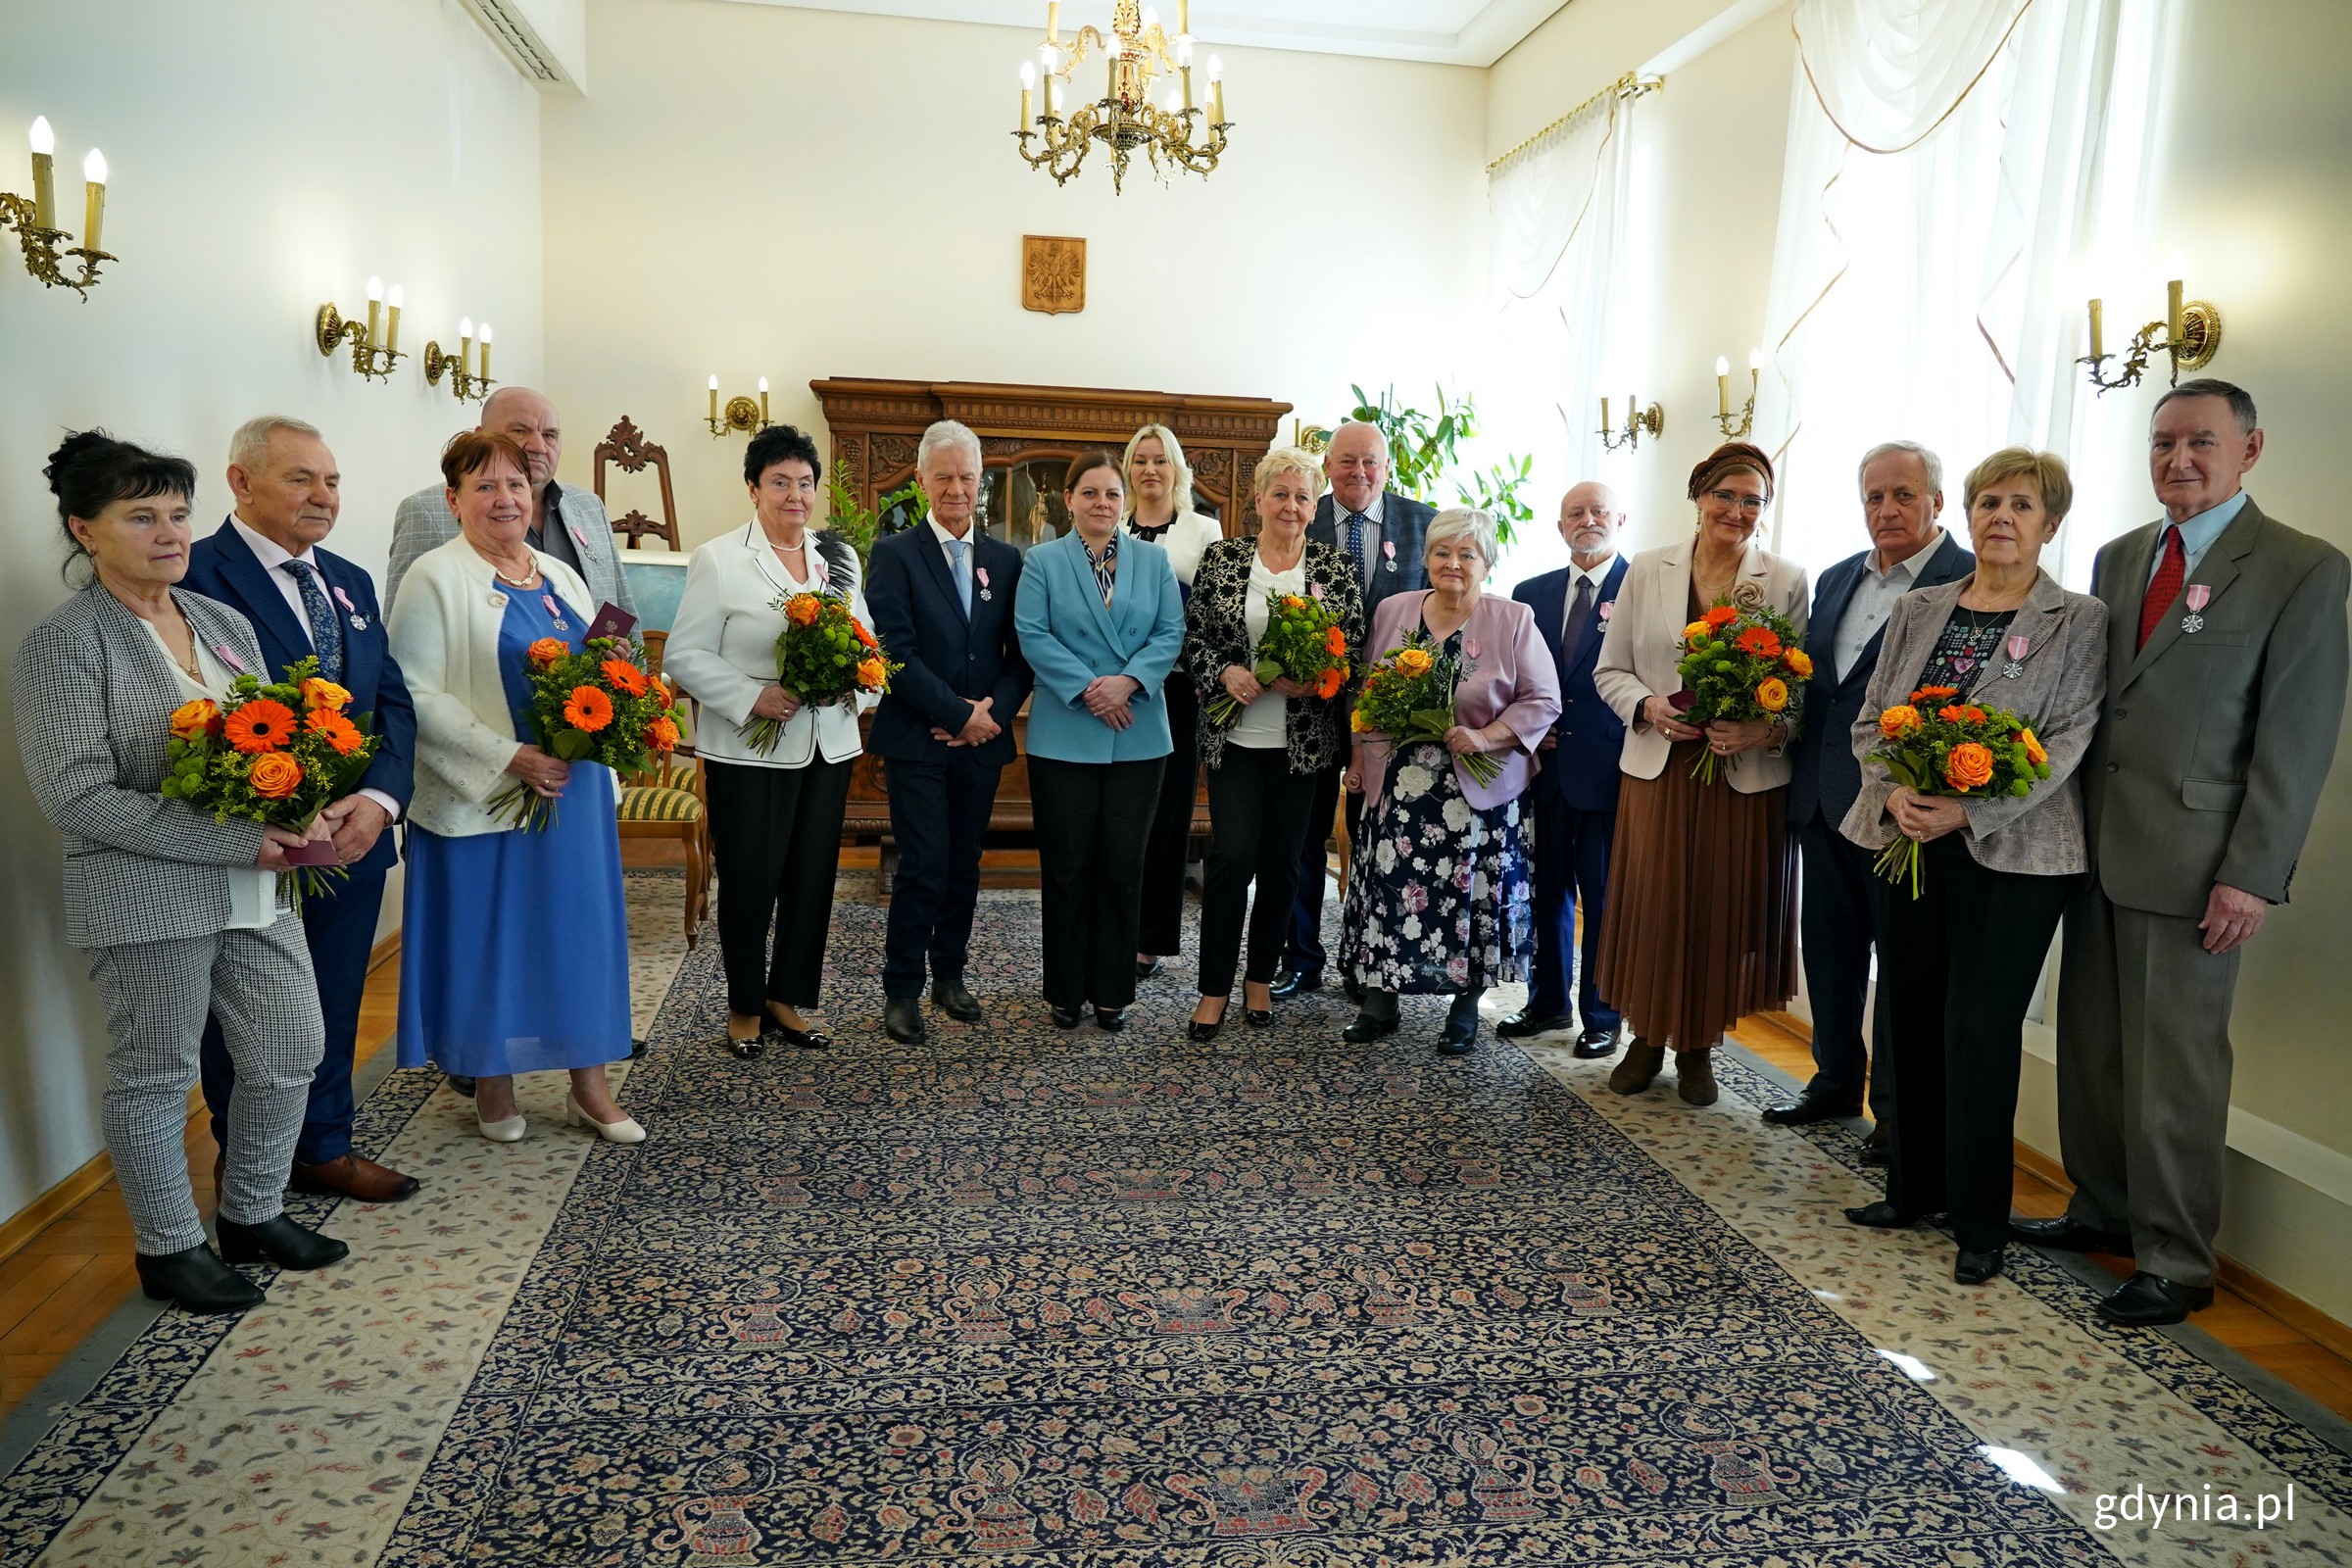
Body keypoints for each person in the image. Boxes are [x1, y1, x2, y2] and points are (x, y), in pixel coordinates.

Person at [2026, 380, 2351, 1325]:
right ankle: (2104, 1209)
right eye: (2163, 442)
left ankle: (2177, 1257)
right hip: (2092, 849)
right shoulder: (2122, 555)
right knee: (2090, 1048)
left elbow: (2297, 739)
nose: (2179, 460)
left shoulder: (2302, 567)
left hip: (2198, 865)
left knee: (2177, 1070)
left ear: (2250, 449)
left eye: (2201, 442)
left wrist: (2252, 874)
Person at [14, 431, 345, 1312]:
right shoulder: (66, 645)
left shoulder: (222, 621)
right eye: (142, 516)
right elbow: (76, 796)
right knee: (157, 1072)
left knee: (289, 1046)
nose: (169, 533)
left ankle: (253, 1211)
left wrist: (302, 804)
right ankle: (167, 1248)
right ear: (86, 530)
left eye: (178, 513)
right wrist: (238, 841)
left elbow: (287, 732)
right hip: (144, 896)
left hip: (259, 886)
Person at [1839, 448, 2108, 1287]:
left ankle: (1981, 1222)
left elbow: (2068, 740)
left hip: (2017, 855)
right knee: (1910, 1013)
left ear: (2050, 524)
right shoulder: (1922, 607)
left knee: (1981, 1031)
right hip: (1908, 840)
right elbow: (1873, 720)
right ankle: (1911, 1189)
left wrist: (1969, 808)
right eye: (1989, 501)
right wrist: (1895, 799)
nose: (2002, 516)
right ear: (1967, 512)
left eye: (2023, 505)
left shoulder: (2079, 619)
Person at [182, 416, 421, 1203]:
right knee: (246, 1015)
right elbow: (195, 715)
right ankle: (246, 1164)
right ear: (240, 482)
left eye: (332, 480)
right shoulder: (196, 575)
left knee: (333, 998)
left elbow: (391, 700)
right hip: (259, 843)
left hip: (352, 839)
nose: (323, 496)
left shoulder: (349, 579)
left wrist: (380, 802)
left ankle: (323, 1146)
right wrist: (280, 814)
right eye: (301, 479)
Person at [387, 431, 642, 1145]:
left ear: (534, 500)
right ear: (454, 500)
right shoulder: (435, 577)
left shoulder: (560, 574)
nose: (505, 499)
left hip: (574, 791)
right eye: (486, 487)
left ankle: (589, 1087)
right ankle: (491, 1082)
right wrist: (509, 757)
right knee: (491, 941)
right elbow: (413, 692)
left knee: (577, 935)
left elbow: (596, 664)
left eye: (517, 486)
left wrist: (615, 670)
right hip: (487, 792)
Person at [1765, 442, 1972, 1162]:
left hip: (1900, 813)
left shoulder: (1968, 579)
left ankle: (1895, 1111)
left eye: (1903, 496)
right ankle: (1833, 1081)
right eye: (1874, 497)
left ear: (1937, 502)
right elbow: (1822, 689)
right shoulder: (1835, 577)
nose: (1886, 511)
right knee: (1830, 951)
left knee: (1904, 967)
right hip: (1822, 801)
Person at [1591, 443, 1808, 1105]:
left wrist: (1762, 729)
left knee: (1717, 912)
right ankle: (1646, 1039)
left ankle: (1697, 1048)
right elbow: (1609, 671)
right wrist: (1649, 706)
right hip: (1658, 772)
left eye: (1752, 502)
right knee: (1654, 907)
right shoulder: (1646, 570)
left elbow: (1801, 693)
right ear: (1699, 497)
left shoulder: (1786, 580)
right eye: (1726, 496)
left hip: (1738, 779)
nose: (1737, 511)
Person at [665, 424, 868, 1058]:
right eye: (780, 482)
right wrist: (755, 696)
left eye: (805, 483)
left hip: (826, 747)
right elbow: (685, 655)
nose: (795, 496)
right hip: (750, 751)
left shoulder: (839, 559)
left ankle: (788, 998)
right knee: (751, 879)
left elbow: (868, 648)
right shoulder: (721, 558)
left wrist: (855, 692)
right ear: (753, 489)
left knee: (812, 880)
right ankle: (745, 1005)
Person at [1341, 508, 1560, 1054]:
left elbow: (1544, 699)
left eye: (1467, 554)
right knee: (1390, 890)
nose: (1453, 564)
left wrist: (1486, 737)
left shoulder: (1513, 619)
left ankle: (1464, 1007)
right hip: (1399, 785)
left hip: (1480, 789)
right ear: (1426, 558)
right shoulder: (1393, 610)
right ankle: (1380, 999)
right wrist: (1357, 759)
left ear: (1487, 562)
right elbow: (1366, 693)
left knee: (1472, 897)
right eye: (1442, 552)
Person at [1182, 447, 1364, 1040]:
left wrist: (1320, 678)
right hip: (1235, 736)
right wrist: (1225, 672)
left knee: (1285, 863)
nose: (1291, 505)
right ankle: (1213, 989)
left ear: (1316, 507)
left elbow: (1353, 645)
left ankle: (1258, 980)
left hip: (1304, 743)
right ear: (1257, 500)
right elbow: (1194, 639)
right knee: (1233, 858)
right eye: (1280, 493)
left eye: (1303, 496)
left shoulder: (1334, 569)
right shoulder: (1224, 559)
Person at [863, 420, 1033, 1045]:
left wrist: (987, 716)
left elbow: (1022, 654)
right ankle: (902, 988)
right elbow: (894, 652)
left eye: (966, 476)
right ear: (921, 482)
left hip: (982, 743)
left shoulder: (1006, 560)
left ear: (980, 480)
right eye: (944, 477)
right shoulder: (894, 555)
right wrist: (957, 714)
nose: (956, 488)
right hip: (917, 740)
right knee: (924, 864)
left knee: (965, 862)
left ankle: (950, 975)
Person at [1013, 451, 1188, 1030]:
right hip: (1065, 733)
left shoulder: (1154, 561)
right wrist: (1091, 689)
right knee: (1066, 867)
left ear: (1125, 501)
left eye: (1112, 495)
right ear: (1068, 500)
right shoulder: (1040, 562)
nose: (1102, 504)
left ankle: (1112, 991)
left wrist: (1129, 682)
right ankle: (1066, 990)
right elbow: (1032, 634)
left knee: (1122, 866)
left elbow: (1171, 631)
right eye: (1090, 493)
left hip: (1138, 734)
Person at [1276, 420, 1436, 1001]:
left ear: (1387, 467)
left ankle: (1372, 960)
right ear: (1328, 465)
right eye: (1346, 462)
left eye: (1370, 462)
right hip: (1312, 709)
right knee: (1304, 835)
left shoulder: (1424, 523)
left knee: (1384, 839)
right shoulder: (1299, 516)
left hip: (1395, 714)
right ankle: (1301, 956)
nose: (1359, 472)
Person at [1501, 481, 1631, 1057]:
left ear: (1619, 518)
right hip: (1544, 769)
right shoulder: (1529, 594)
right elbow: (1511, 676)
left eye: (1598, 510)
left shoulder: (1643, 587)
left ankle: (1602, 1013)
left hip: (1610, 768)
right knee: (1546, 892)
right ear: (1560, 527)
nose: (1587, 520)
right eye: (1574, 512)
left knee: (1602, 896)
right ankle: (1547, 1000)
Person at [386, 385, 638, 622]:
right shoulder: (426, 511)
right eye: (520, 431)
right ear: (480, 436)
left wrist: (627, 665)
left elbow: (618, 607)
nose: (538, 446)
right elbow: (403, 626)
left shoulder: (589, 506)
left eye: (550, 435)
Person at [1123, 423, 1224, 982]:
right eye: (1141, 460)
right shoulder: (1108, 523)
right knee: (1122, 813)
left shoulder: (1202, 532)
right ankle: (1115, 925)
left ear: (1177, 469)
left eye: (1161, 460)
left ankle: (1151, 938)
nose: (1150, 470)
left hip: (1180, 690)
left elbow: (1213, 613)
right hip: (1118, 692)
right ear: (1128, 468)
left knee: (1167, 814)